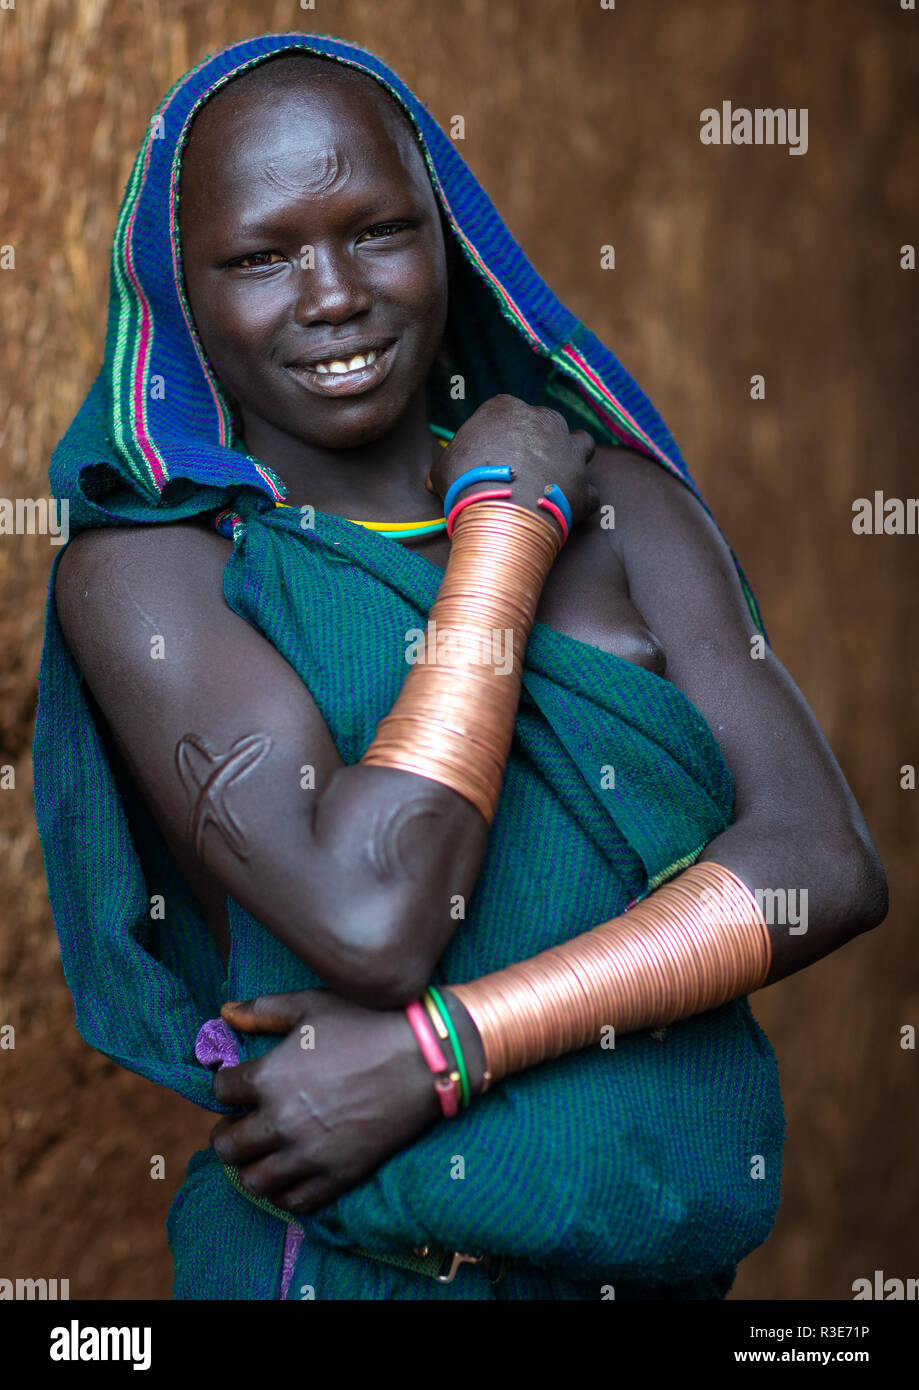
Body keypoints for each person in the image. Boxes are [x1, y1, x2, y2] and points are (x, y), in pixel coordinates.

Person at [33, 33, 887, 1301]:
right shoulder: (156, 576)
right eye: (261, 257)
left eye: (377, 231)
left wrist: (454, 1044)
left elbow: (822, 863)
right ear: (181, 295)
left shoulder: (628, 506)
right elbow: (375, 915)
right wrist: (501, 537)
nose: (333, 295)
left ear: (447, 235)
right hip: (348, 1272)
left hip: (639, 1256)